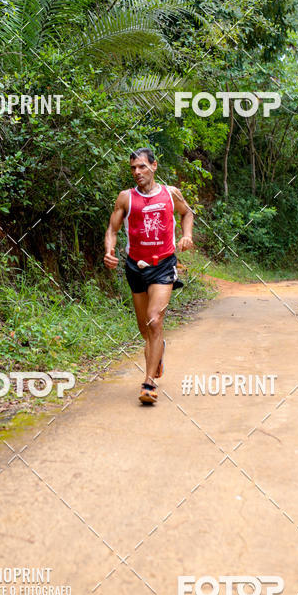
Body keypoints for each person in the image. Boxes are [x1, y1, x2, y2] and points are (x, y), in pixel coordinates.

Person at [103, 148, 194, 404]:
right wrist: (109, 251)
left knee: (155, 321)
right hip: (135, 267)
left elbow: (187, 213)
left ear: (154, 166)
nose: (137, 172)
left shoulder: (170, 193)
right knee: (145, 329)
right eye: (133, 168)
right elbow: (112, 228)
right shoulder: (125, 198)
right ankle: (158, 353)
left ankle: (149, 383)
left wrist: (187, 235)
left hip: (163, 265)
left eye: (142, 167)